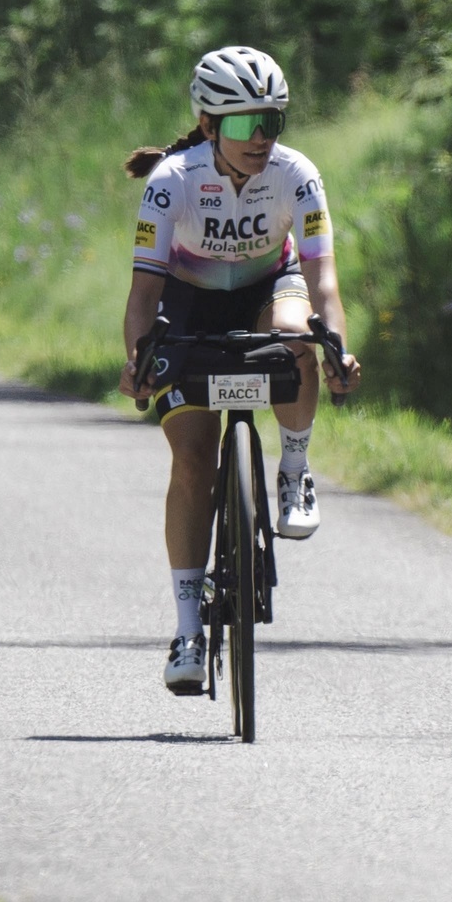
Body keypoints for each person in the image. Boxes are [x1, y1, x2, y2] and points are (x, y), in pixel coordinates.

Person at [122, 45, 360, 695]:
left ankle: (295, 469)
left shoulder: (298, 175)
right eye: (240, 124)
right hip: (187, 298)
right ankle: (187, 629)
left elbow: (323, 282)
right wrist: (137, 361)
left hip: (267, 285)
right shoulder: (170, 181)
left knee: (295, 337)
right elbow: (144, 295)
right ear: (208, 126)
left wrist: (336, 345)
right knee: (193, 459)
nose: (258, 139)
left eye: (271, 123)